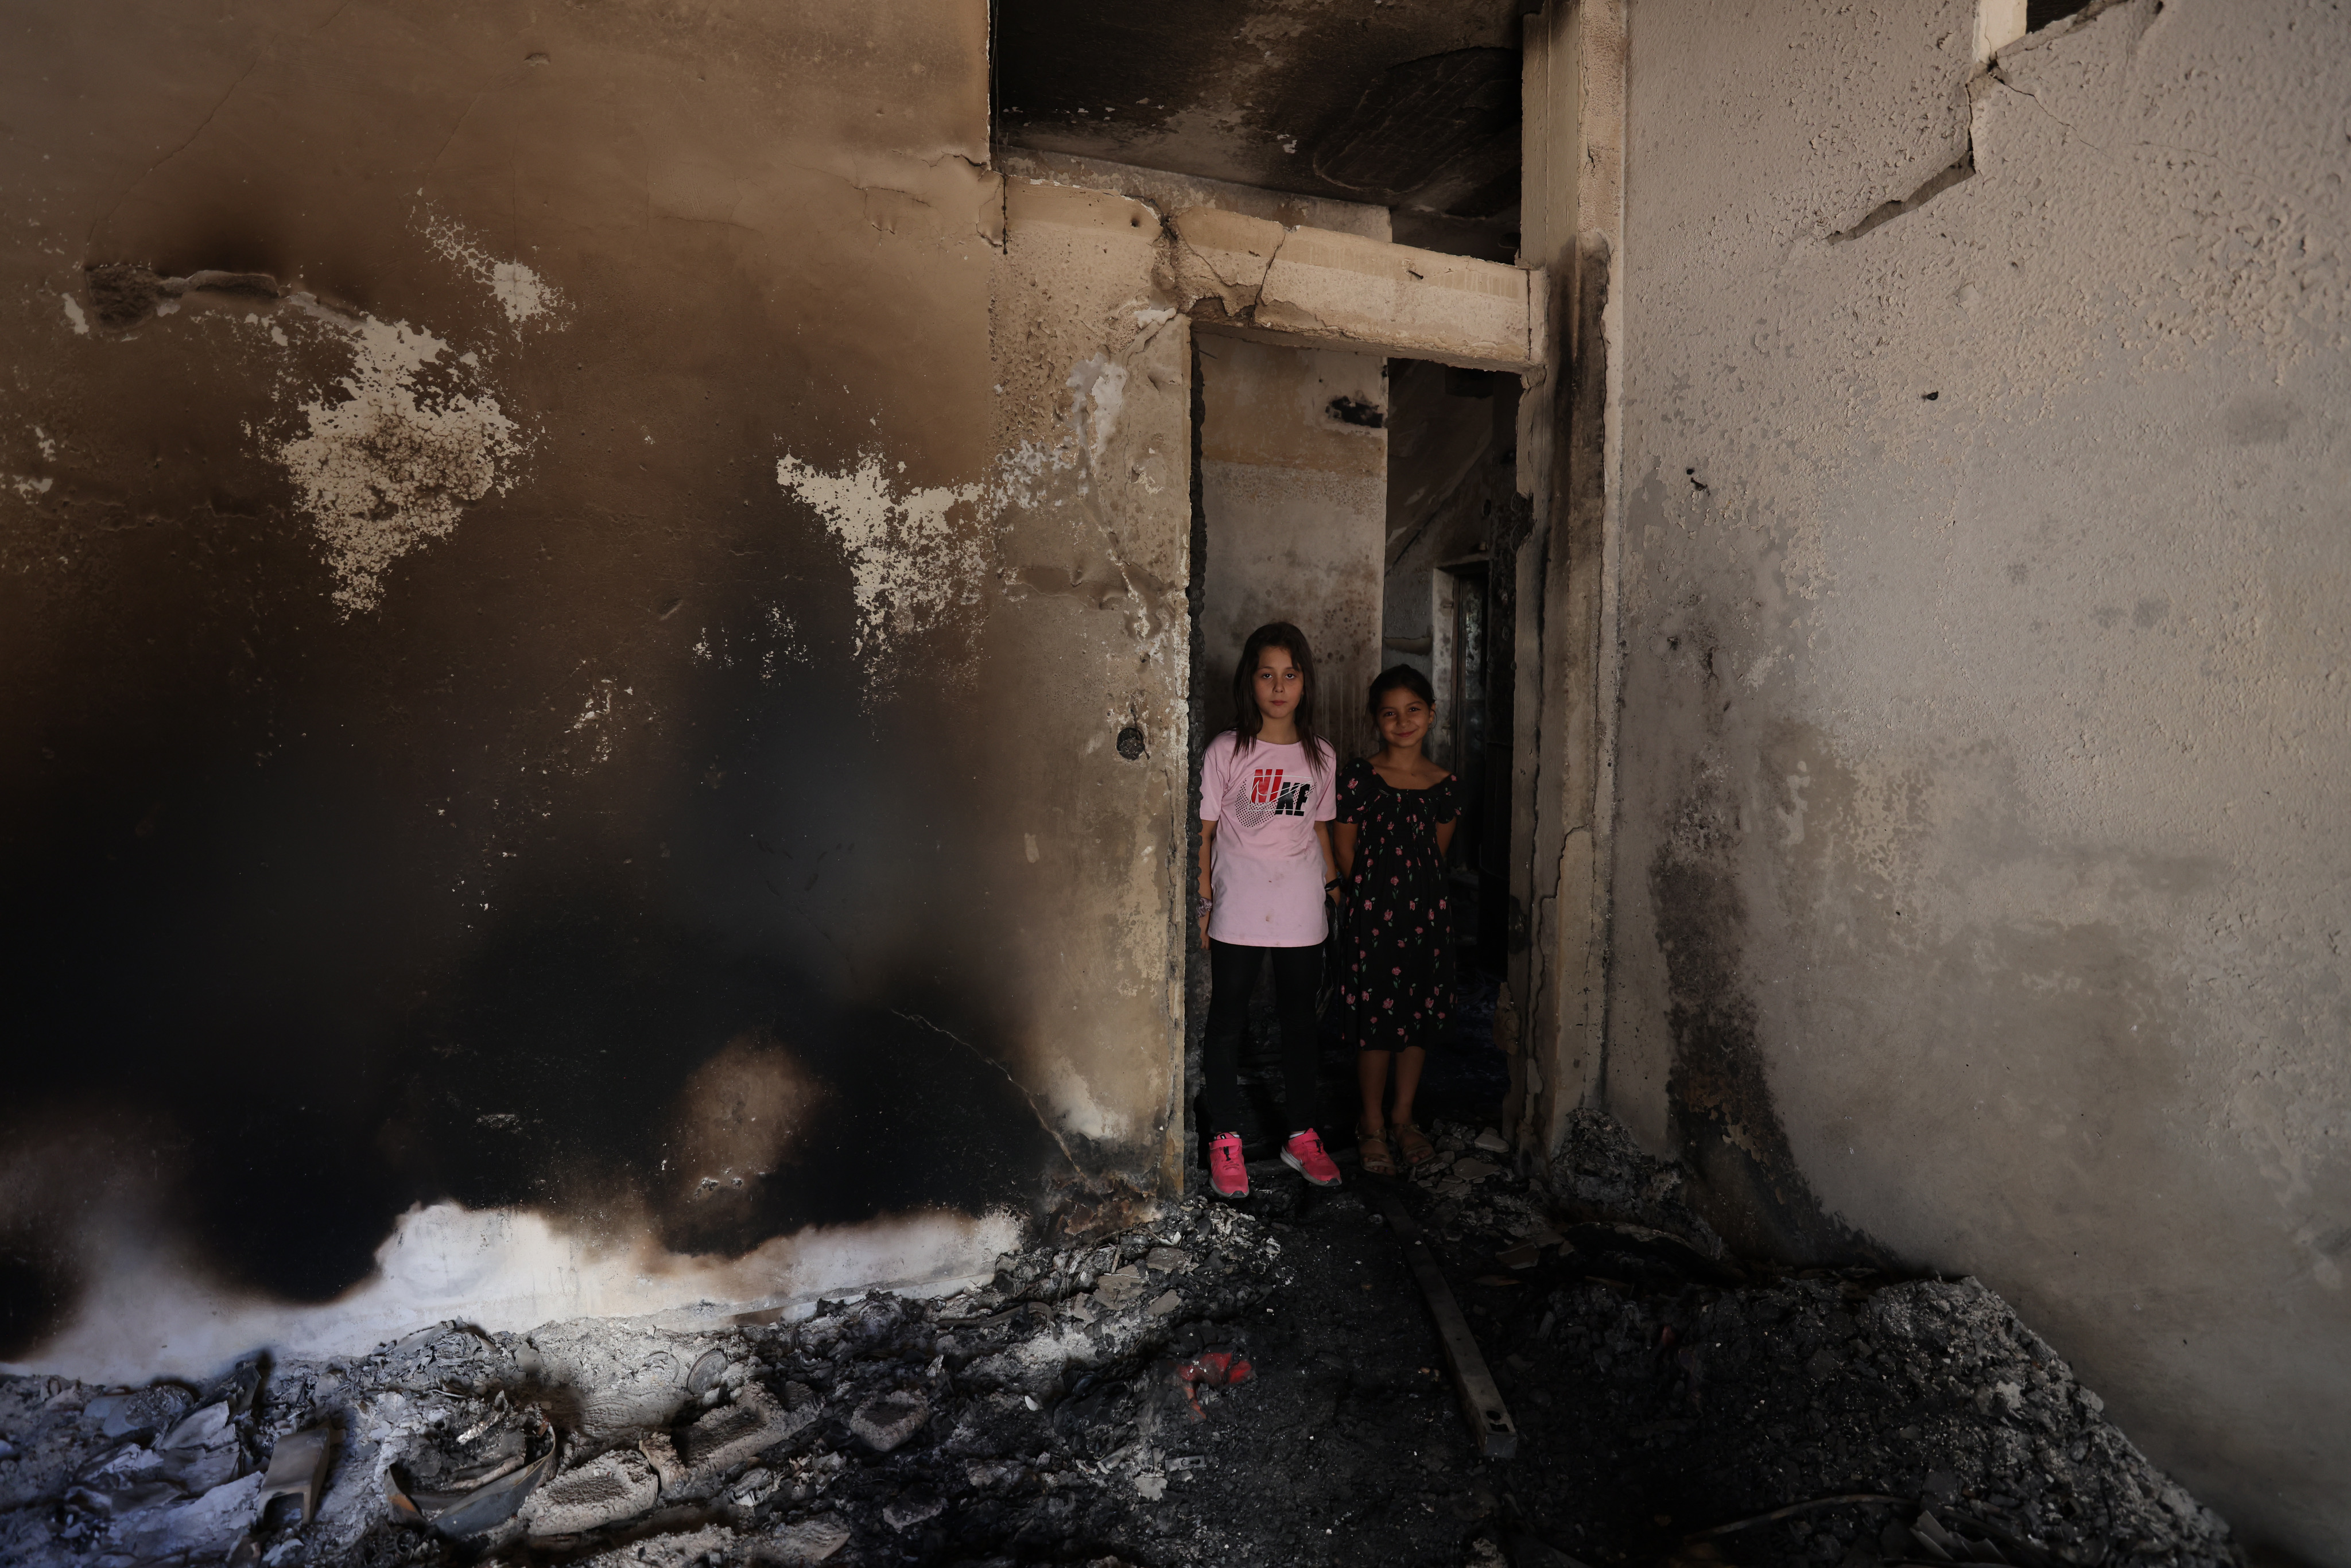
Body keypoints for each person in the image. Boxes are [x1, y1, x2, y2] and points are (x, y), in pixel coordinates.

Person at [1196, 622, 1345, 1199]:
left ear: (1304, 682)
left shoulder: (1320, 755)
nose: (1278, 686)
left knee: (1299, 1023)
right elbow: (1204, 836)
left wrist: (1334, 896)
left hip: (1300, 907)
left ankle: (1301, 1135)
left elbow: (1321, 831)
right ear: (1249, 681)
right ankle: (1225, 1138)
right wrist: (1204, 905)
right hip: (1239, 906)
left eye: (1290, 673)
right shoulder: (1226, 750)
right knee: (1228, 1018)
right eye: (1267, 674)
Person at [1331, 666, 1460, 1175]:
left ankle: (1404, 1118)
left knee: (1417, 1018)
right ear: (1375, 720)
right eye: (1390, 712)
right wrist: (1368, 902)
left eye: (1413, 710)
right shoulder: (1360, 778)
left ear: (1430, 715)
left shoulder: (1445, 786)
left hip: (1427, 915)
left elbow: (1436, 856)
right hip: (1372, 915)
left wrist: (1415, 900)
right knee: (1377, 1024)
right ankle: (1371, 1123)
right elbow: (1346, 853)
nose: (1402, 721)